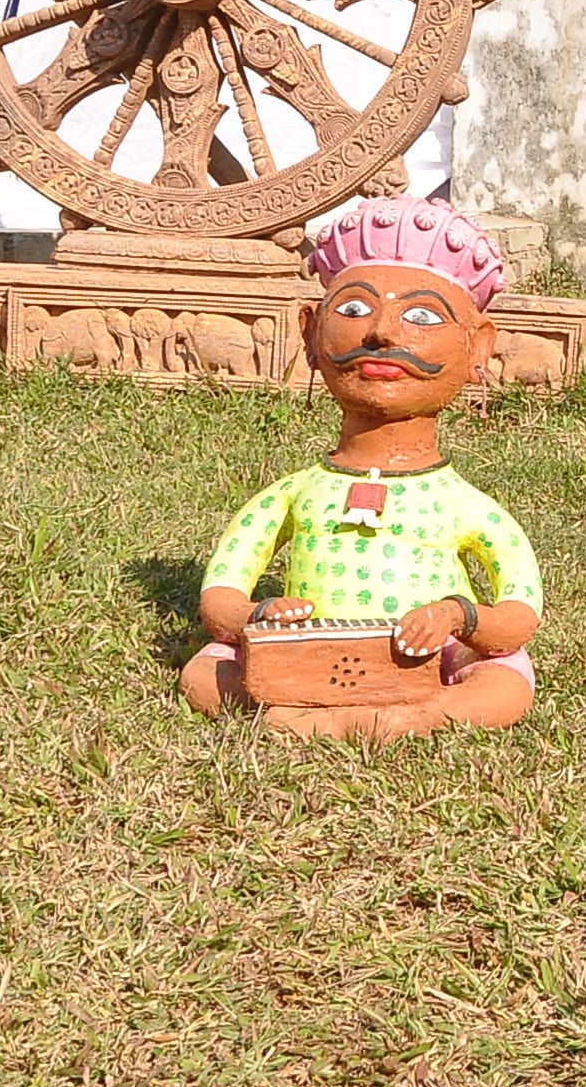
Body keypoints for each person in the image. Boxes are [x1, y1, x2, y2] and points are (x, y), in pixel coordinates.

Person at [181, 198, 544, 742]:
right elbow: (220, 597)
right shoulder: (292, 494)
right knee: (205, 672)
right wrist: (258, 616)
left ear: (478, 349)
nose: (381, 333)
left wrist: (457, 616)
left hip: (434, 658)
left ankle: (384, 716)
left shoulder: (465, 506)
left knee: (505, 680)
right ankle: (346, 717)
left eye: (422, 317)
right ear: (310, 334)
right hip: (303, 653)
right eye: (353, 309)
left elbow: (519, 615)